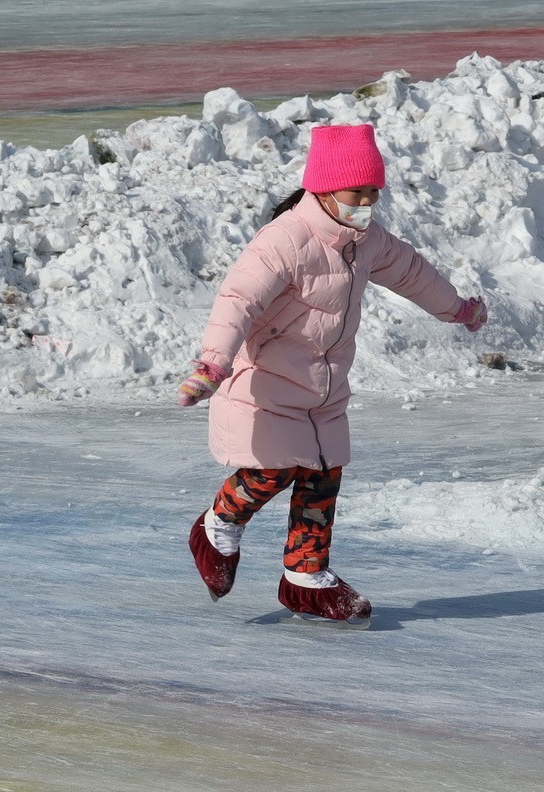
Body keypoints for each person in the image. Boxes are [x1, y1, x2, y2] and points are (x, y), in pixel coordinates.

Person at [176, 123, 488, 624]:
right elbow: (237, 300)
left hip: (323, 386)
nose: (366, 202)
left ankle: (306, 577)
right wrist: (213, 363)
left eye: (373, 192)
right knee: (272, 468)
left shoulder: (367, 241)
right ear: (323, 188)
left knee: (323, 475)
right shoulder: (285, 240)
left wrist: (458, 308)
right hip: (266, 379)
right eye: (356, 191)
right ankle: (217, 526)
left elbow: (412, 272)